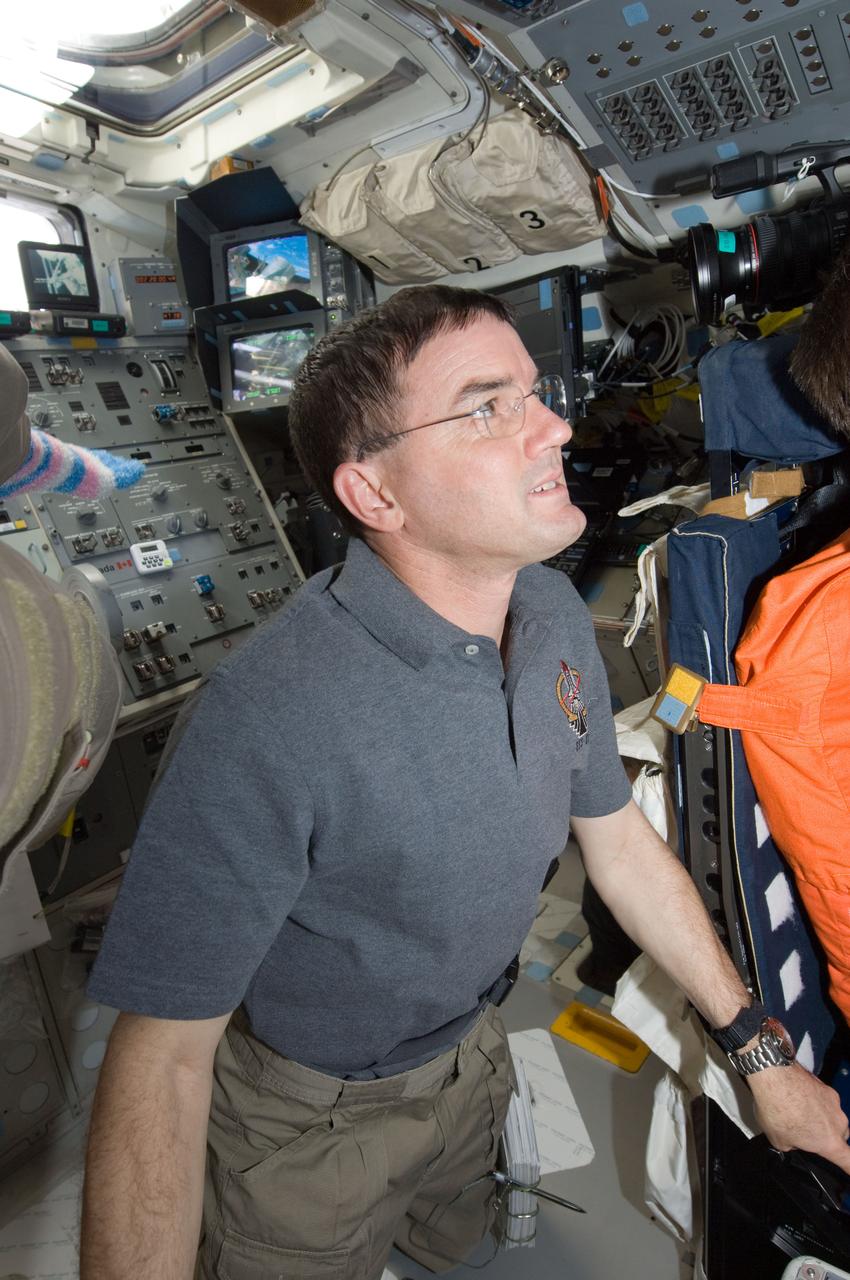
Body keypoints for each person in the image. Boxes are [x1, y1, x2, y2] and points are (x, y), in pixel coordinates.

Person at [80, 285, 850, 1280]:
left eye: (535, 392)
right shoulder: (263, 720)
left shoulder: (549, 612)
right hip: (307, 1121)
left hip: (469, 1053)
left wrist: (761, 1051)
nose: (554, 426)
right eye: (486, 406)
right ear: (375, 495)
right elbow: (162, 1064)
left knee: (459, 1248)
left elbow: (615, 843)